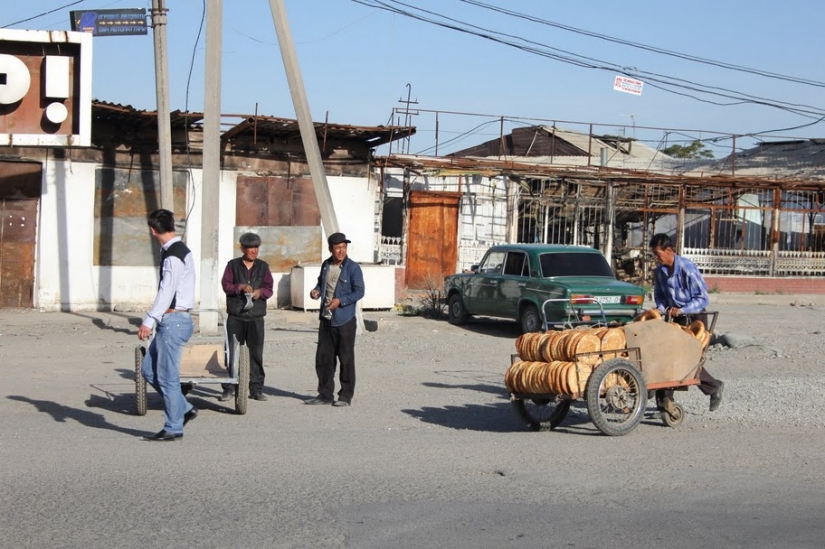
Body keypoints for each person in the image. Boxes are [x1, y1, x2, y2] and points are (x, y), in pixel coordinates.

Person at [138, 209, 197, 441]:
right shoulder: (177, 251)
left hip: (173, 321)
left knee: (167, 377)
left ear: (153, 230)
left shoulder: (174, 255)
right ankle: (183, 408)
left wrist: (148, 320)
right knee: (148, 370)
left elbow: (167, 291)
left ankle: (173, 427)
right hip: (172, 320)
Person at [649, 233, 724, 412]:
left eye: (658, 254)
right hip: (674, 318)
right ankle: (664, 400)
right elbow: (659, 295)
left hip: (695, 318)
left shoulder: (687, 267)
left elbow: (702, 298)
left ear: (669, 251)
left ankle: (714, 387)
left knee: (689, 360)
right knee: (666, 356)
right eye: (654, 254)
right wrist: (660, 309)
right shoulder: (660, 272)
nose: (656, 258)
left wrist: (682, 309)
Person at [305, 232, 365, 407]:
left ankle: (345, 396)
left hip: (345, 320)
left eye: (344, 248)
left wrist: (340, 301)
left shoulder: (353, 268)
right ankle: (324, 395)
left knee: (346, 359)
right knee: (324, 359)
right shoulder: (326, 265)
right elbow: (321, 283)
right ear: (331, 249)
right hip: (326, 319)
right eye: (337, 248)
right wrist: (316, 291)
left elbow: (359, 291)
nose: (341, 251)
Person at [219, 232, 274, 402]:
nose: (254, 251)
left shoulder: (263, 267)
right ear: (242, 248)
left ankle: (256, 389)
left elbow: (269, 288)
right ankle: (229, 388)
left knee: (256, 354)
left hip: (256, 317)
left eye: (256, 247)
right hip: (236, 316)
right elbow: (225, 285)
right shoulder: (233, 265)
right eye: (250, 247)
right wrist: (240, 287)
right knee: (231, 352)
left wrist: (260, 292)